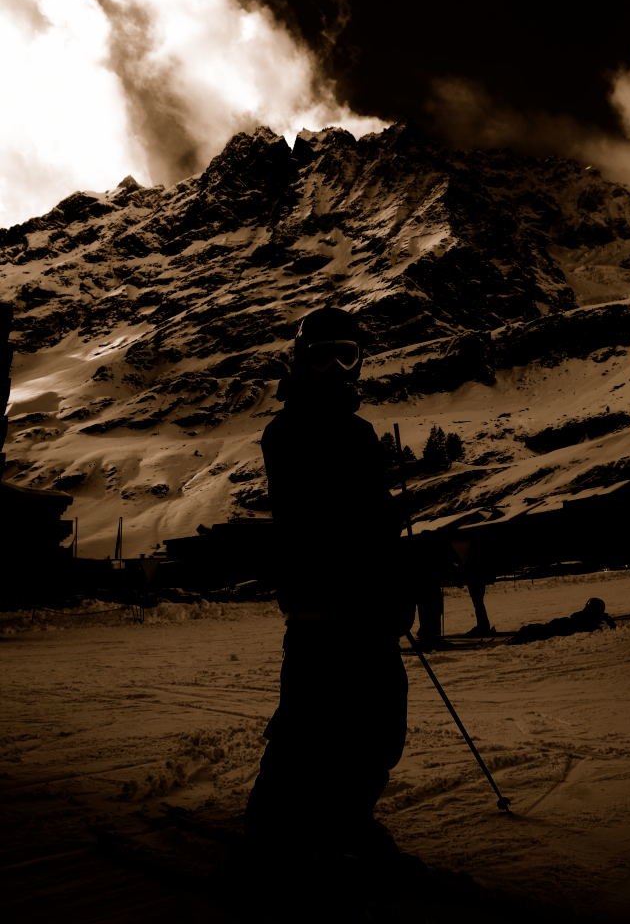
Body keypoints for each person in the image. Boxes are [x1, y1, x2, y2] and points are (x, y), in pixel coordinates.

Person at [244, 306, 416, 886]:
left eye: (347, 354)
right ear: (300, 360)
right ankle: (271, 840)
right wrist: (377, 517)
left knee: (378, 725)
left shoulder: (358, 431)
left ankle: (346, 821)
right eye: (321, 355)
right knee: (308, 727)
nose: (336, 367)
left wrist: (390, 535)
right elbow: (319, 517)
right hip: (323, 603)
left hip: (370, 606)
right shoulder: (290, 431)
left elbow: (367, 520)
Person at [508, 596, 616, 645]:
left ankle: (519, 638)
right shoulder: (592, 618)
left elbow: (587, 623)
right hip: (565, 624)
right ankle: (519, 637)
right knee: (541, 629)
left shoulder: (591, 619)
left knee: (541, 630)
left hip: (565, 626)